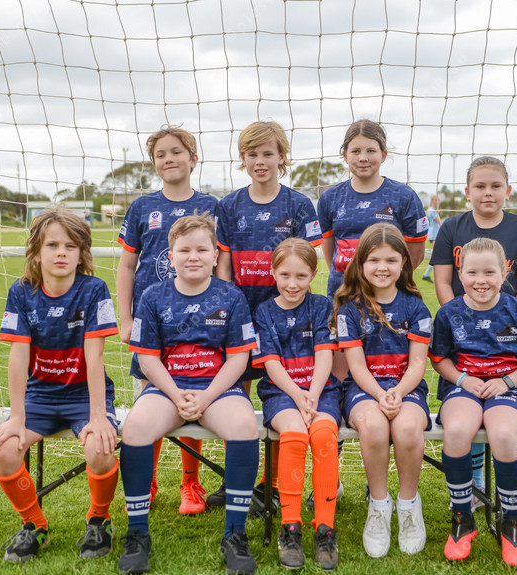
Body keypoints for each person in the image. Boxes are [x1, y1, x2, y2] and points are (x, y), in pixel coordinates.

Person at [118, 214, 260, 575]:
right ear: (171, 256)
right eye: (184, 250)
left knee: (245, 425)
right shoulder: (152, 296)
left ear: (215, 255)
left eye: (201, 249)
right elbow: (147, 358)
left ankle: (235, 533)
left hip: (217, 388)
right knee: (135, 427)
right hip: (167, 387)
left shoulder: (231, 296)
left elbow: (238, 358)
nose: (193, 256)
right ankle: (137, 534)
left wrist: (206, 397)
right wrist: (176, 394)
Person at [0, 209, 120, 563]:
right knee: (4, 451)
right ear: (36, 252)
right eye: (52, 245)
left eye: (70, 246)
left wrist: (99, 416)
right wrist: (16, 417)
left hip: (84, 396)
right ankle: (34, 525)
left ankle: (99, 520)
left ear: (82, 254)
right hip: (41, 396)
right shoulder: (22, 292)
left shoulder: (93, 289)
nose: (61, 252)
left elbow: (95, 356)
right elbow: (18, 357)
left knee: (100, 449)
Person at [213, 120, 323, 512]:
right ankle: (237, 481)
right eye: (252, 154)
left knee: (286, 397)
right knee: (237, 400)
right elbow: (223, 266)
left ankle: (272, 485)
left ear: (282, 157)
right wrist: (227, 309)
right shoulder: (228, 206)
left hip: (287, 316)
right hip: (241, 317)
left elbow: (309, 260)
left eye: (267, 153)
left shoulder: (299, 205)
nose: (260, 161)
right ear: (242, 159)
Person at [429, 156, 517, 506]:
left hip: (505, 334)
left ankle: (501, 498)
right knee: (467, 405)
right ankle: (475, 483)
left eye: (496, 186)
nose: (488, 192)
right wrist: (458, 317)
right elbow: (443, 280)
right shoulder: (452, 227)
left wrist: (508, 319)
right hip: (461, 332)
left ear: (508, 191)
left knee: (495, 406)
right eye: (480, 186)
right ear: (468, 191)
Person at [117, 125, 218, 515]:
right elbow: (127, 266)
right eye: (161, 154)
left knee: (192, 397)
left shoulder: (211, 206)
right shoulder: (143, 207)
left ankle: (191, 483)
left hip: (199, 322)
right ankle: (149, 479)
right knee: (151, 398)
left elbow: (220, 263)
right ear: (154, 163)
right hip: (152, 323)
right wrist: (126, 318)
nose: (169, 159)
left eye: (177, 152)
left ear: (194, 159)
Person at [429, 237, 517, 567]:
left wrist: (505, 382)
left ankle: (512, 522)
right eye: (472, 272)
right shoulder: (449, 313)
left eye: (489, 272)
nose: (481, 280)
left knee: (503, 434)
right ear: (460, 274)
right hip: (463, 386)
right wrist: (463, 380)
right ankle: (462, 519)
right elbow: (439, 359)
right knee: (456, 430)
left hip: (507, 388)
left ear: (505, 272)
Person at [332, 223, 432, 559]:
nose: (382, 267)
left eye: (391, 260)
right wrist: (379, 395)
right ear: (361, 263)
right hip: (365, 389)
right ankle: (378, 505)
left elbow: (417, 363)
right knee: (373, 426)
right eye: (374, 260)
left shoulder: (416, 308)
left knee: (407, 427)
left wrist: (399, 392)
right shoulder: (350, 309)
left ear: (404, 262)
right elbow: (356, 367)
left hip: (406, 387)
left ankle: (408, 505)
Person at [252, 238, 341, 571]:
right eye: (285, 275)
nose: (292, 283)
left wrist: (312, 394)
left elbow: (324, 354)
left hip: (321, 391)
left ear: (313, 275)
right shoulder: (263, 311)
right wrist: (298, 395)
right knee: (293, 434)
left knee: (323, 436)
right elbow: (271, 363)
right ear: (273, 272)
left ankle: (325, 529)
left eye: (301, 276)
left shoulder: (321, 306)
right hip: (281, 392)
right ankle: (290, 528)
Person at [317, 119, 428, 302]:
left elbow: (416, 253)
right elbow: (330, 254)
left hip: (388, 296)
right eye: (356, 151)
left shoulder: (404, 196)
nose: (363, 158)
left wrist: (387, 278)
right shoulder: (330, 198)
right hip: (343, 296)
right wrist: (350, 277)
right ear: (345, 155)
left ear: (383, 155)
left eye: (370, 151)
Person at [421, 194, 441, 283]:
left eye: (438, 200)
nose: (438, 202)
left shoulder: (432, 210)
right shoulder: (432, 211)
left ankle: (426, 275)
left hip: (434, 235)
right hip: (434, 235)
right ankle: (427, 275)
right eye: (436, 200)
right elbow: (440, 222)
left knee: (437, 255)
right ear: (432, 201)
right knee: (437, 255)